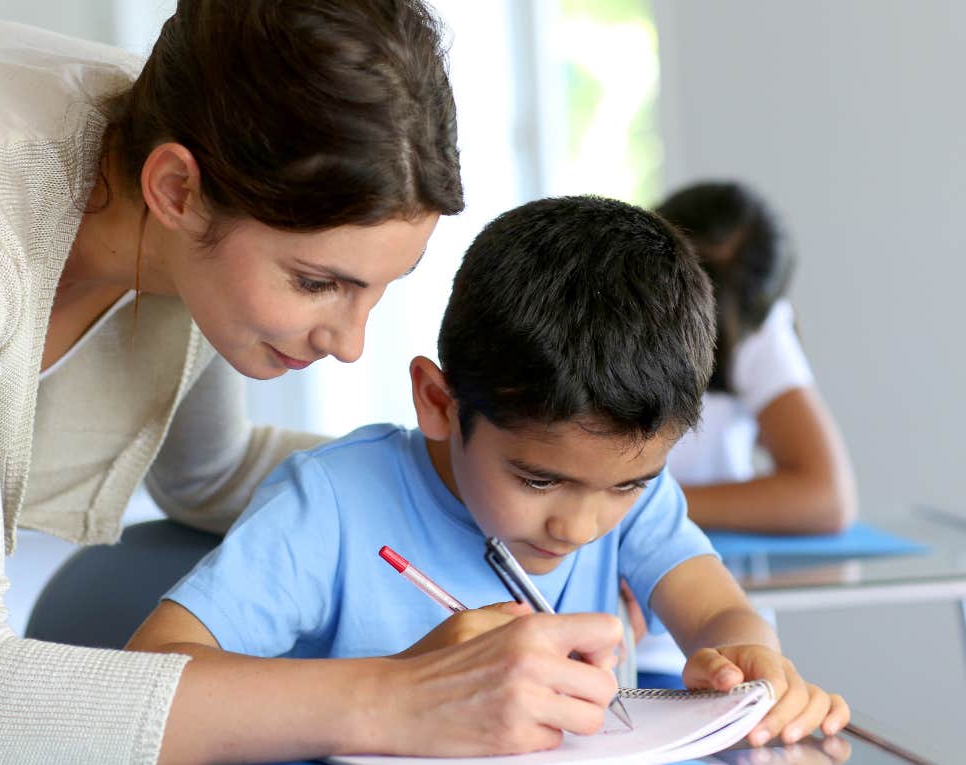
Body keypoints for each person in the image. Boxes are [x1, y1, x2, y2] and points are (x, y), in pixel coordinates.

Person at [0, 3, 634, 764]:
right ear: (176, 189)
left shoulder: (186, 176)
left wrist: (546, 500)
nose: (350, 343)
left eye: (375, 291)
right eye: (319, 283)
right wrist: (392, 700)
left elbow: (214, 473)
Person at [128, 196, 852, 754]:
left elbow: (718, 613)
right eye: (539, 480)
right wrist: (409, 681)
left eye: (627, 484)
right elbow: (145, 678)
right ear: (439, 402)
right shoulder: (331, 504)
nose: (581, 525)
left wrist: (752, 660)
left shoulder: (634, 500)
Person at [631, 180, 860, 689]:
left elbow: (825, 498)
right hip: (614, 634)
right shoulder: (617, 313)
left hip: (703, 636)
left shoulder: (761, 329)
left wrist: (639, 506)